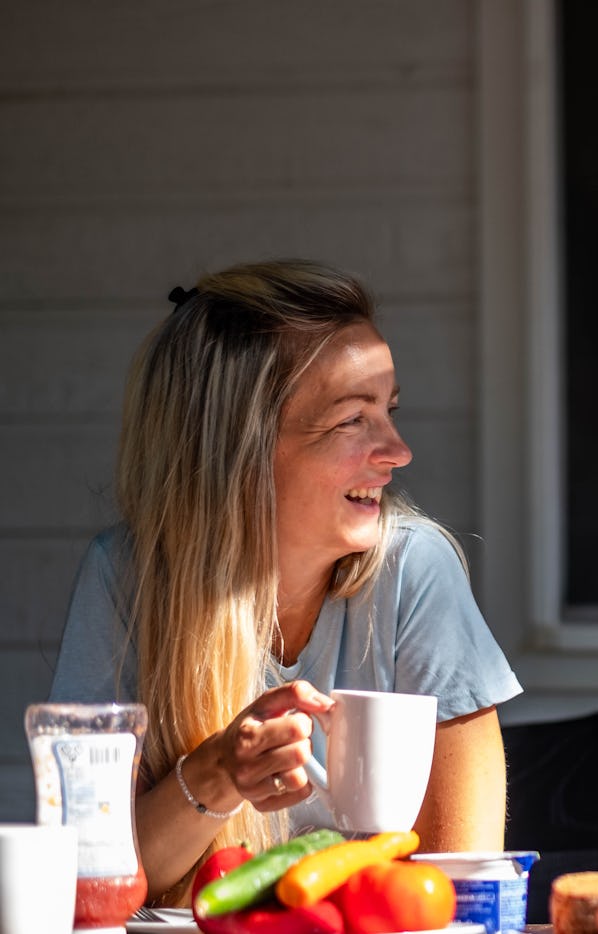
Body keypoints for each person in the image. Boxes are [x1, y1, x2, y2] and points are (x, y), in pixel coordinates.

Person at [48, 259, 522, 905]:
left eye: (389, 410)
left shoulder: (415, 570)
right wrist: (215, 775)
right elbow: (94, 884)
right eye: (354, 419)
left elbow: (464, 881)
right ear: (236, 446)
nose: (398, 450)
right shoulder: (125, 576)